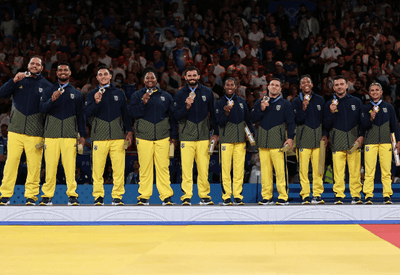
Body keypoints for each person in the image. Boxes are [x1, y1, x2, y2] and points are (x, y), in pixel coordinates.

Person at [0, 56, 52, 206]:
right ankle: (5, 195)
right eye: (32, 63)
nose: (34, 66)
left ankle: (31, 196)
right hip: (15, 130)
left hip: (35, 132)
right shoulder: (19, 79)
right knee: (11, 163)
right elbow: (2, 93)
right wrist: (14, 80)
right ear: (27, 65)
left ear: (42, 68)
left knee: (34, 165)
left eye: (38, 64)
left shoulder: (47, 85)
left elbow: (47, 109)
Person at [84, 66, 133, 206]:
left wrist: (129, 131)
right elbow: (86, 113)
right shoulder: (91, 94)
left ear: (110, 76)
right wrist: (95, 102)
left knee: (118, 169)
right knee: (97, 170)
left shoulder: (119, 93)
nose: (103, 76)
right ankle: (98, 197)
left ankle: (117, 197)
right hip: (99, 137)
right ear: (97, 78)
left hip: (117, 136)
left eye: (106, 74)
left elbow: (125, 114)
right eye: (100, 74)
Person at [38, 62, 86, 206]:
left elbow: (80, 116)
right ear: (56, 73)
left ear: (70, 73)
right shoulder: (48, 90)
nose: (63, 72)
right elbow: (41, 109)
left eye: (65, 70)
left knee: (70, 168)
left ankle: (72, 196)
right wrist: (52, 99)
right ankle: (47, 196)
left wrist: (82, 135)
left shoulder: (76, 93)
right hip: (51, 135)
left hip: (69, 135)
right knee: (50, 167)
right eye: (60, 70)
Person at [129, 67, 178, 205]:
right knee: (144, 167)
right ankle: (144, 197)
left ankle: (166, 197)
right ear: (143, 80)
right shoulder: (137, 96)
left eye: (152, 78)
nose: (150, 80)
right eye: (147, 78)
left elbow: (173, 119)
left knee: (163, 167)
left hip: (163, 137)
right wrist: (142, 103)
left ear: (157, 79)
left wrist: (173, 137)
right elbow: (133, 113)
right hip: (143, 137)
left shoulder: (166, 96)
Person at [172, 66, 219, 205]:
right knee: (186, 168)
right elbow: (175, 116)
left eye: (194, 75)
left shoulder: (207, 92)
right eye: (189, 76)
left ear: (199, 77)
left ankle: (204, 196)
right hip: (186, 137)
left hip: (204, 136)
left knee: (203, 169)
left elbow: (213, 114)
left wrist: (215, 133)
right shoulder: (180, 94)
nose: (192, 78)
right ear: (185, 77)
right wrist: (186, 107)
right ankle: (186, 197)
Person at [251, 78, 295, 205]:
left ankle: (283, 196)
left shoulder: (285, 104)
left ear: (280, 89)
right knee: (265, 171)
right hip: (263, 142)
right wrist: (261, 109)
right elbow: (253, 118)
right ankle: (266, 197)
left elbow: (291, 122)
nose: (274, 87)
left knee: (281, 171)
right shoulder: (260, 102)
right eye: (272, 85)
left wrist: (290, 137)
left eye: (277, 85)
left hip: (278, 142)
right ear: (268, 87)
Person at [324, 75, 365, 205]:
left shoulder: (356, 101)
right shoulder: (328, 104)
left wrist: (361, 136)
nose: (339, 87)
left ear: (347, 85)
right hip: (337, 141)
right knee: (338, 171)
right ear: (333, 87)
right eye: (336, 85)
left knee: (354, 171)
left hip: (354, 140)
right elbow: (326, 125)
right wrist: (331, 112)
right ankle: (339, 196)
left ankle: (356, 196)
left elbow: (362, 121)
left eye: (342, 84)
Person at [215, 77, 254, 205]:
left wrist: (251, 134)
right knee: (225, 170)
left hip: (240, 141)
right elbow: (218, 123)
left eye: (232, 84)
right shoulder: (220, 103)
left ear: (236, 87)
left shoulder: (242, 101)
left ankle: (237, 196)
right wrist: (225, 113)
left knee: (238, 169)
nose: (230, 86)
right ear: (224, 87)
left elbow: (247, 120)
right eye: (227, 85)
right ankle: (226, 197)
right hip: (226, 140)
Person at [361, 82, 400, 204]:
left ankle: (387, 195)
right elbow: (363, 126)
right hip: (370, 142)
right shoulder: (365, 108)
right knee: (369, 170)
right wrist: (371, 118)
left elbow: (394, 126)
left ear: (381, 92)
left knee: (386, 170)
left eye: (377, 90)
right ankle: (368, 195)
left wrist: (398, 141)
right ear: (369, 92)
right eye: (372, 90)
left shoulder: (389, 107)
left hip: (386, 142)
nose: (374, 92)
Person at [292, 75, 327, 204]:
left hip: (318, 140)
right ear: (300, 86)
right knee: (303, 169)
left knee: (318, 169)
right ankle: (305, 195)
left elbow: (324, 119)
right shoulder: (296, 101)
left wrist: (325, 134)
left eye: (308, 81)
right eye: (303, 82)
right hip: (302, 140)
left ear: (312, 85)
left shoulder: (320, 100)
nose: (306, 84)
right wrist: (303, 108)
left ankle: (317, 194)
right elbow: (297, 120)